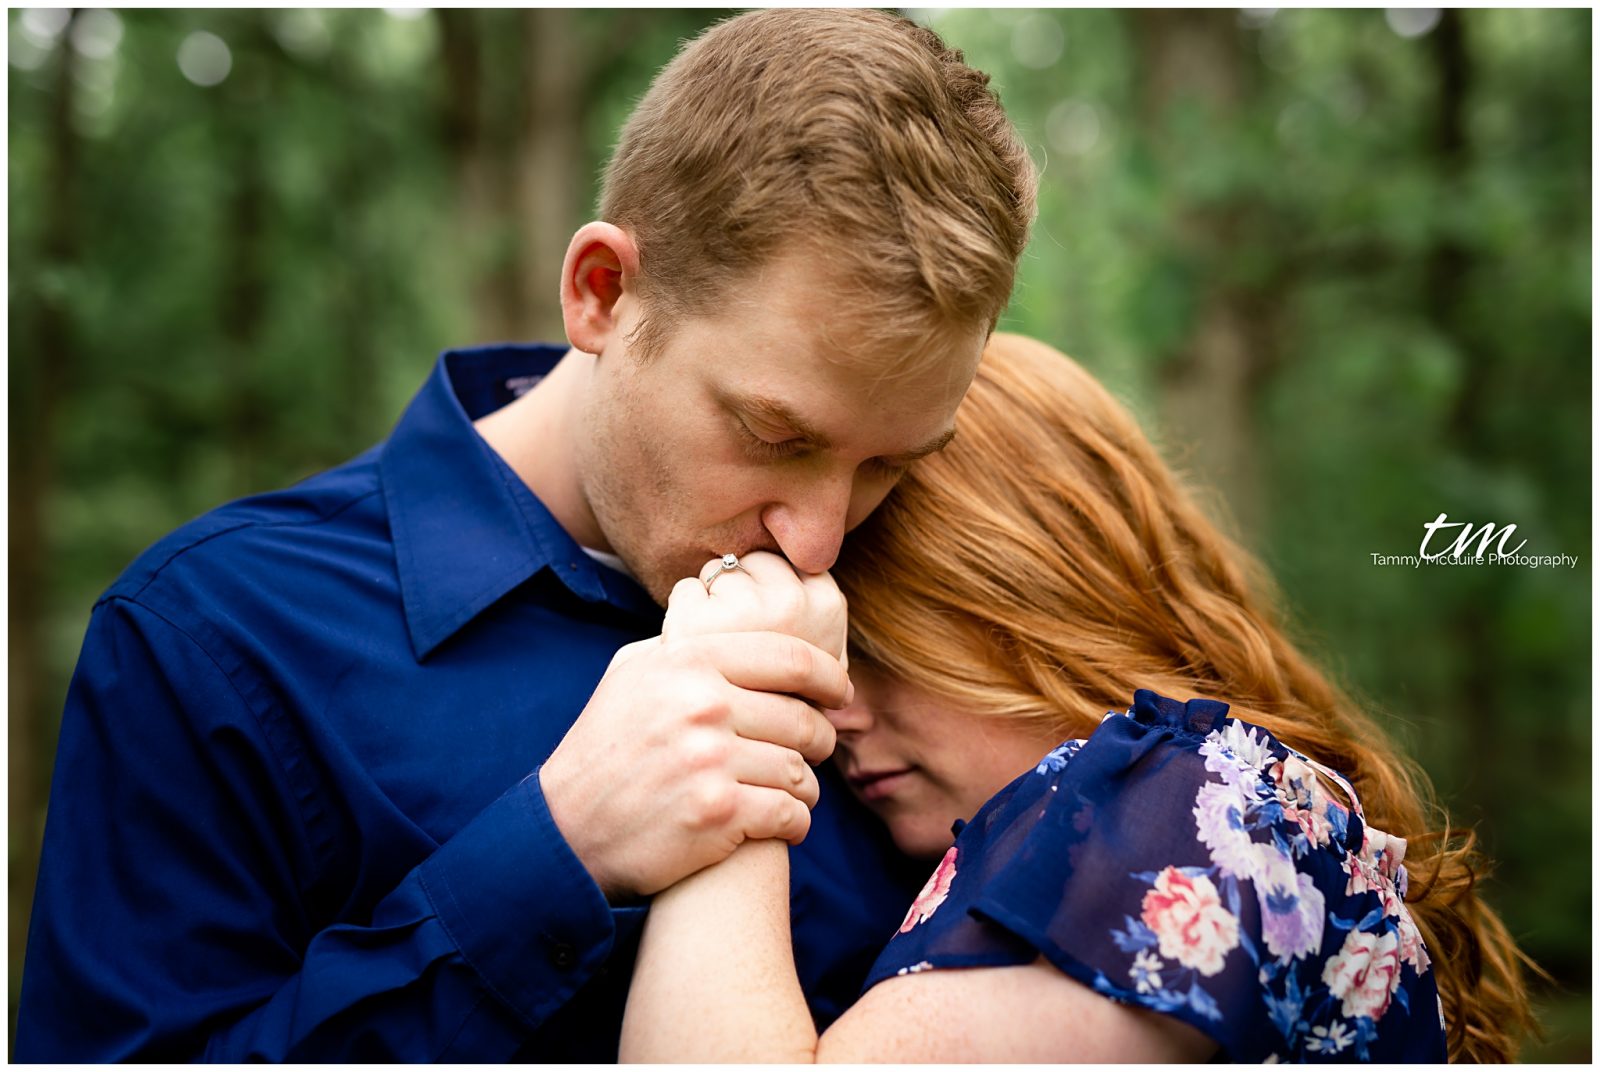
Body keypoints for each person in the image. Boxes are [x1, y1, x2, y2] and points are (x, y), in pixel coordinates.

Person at [14, 10, 1036, 1061]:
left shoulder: (929, 604)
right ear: (602, 293)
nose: (818, 541)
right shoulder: (213, 639)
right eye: (772, 434)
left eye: (888, 463)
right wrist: (557, 854)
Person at [618, 333, 1542, 1063]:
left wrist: (731, 713)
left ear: (1034, 596)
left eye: (878, 647)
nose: (830, 708)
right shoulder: (1231, 806)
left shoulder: (1180, 809)